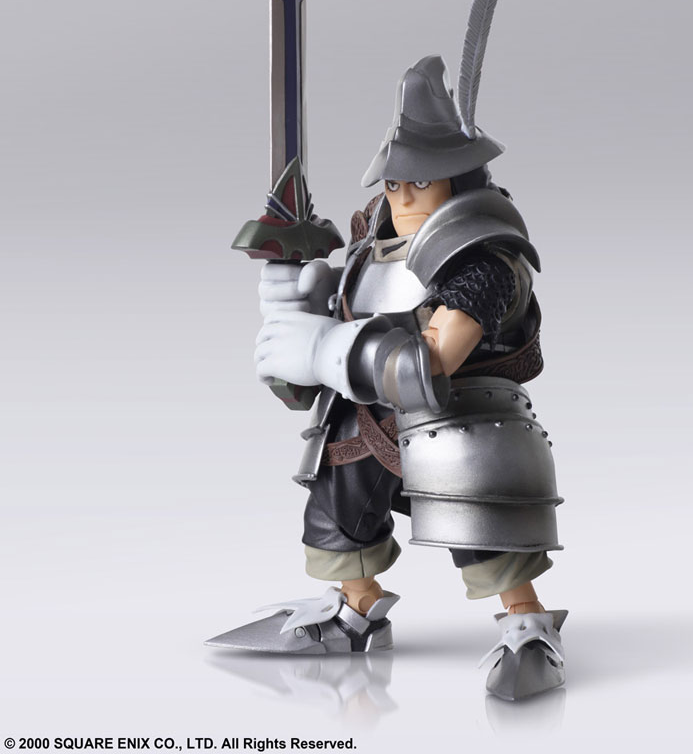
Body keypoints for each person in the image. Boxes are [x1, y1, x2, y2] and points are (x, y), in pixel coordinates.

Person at [209, 52, 567, 700]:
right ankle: (357, 610)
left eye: (418, 183)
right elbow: (348, 320)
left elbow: (430, 363)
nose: (401, 198)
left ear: (457, 180)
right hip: (368, 416)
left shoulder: (485, 258)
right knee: (336, 507)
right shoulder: (371, 241)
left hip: (461, 419)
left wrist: (324, 350)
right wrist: (296, 305)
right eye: (395, 183)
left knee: (484, 522)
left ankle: (527, 624)